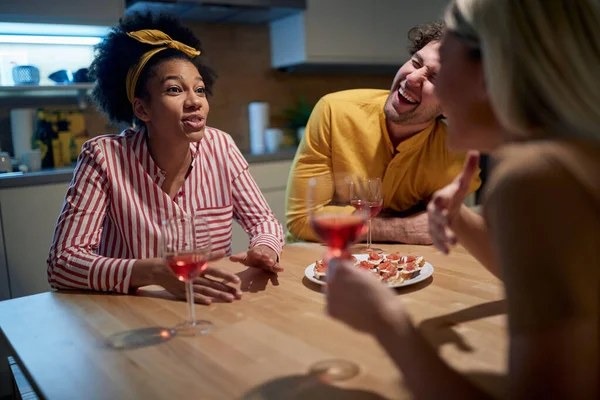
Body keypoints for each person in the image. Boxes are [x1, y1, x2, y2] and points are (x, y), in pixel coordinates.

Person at [325, 0, 599, 398]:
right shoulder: (575, 157)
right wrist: (459, 218)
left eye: (440, 69)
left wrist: (388, 323)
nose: (417, 82)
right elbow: (543, 284)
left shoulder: (537, 178)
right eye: (416, 63)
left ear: (491, 74)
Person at [47, 12, 285, 305]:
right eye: (174, 89)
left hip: (210, 306)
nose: (194, 101)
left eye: (199, 90)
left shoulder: (221, 146)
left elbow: (264, 222)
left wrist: (265, 249)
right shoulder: (103, 157)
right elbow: (62, 264)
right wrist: (156, 272)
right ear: (142, 109)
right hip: (132, 315)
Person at [285, 21, 481, 245]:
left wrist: (345, 217)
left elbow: (435, 225)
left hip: (402, 267)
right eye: (416, 62)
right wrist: (400, 228)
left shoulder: (456, 152)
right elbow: (302, 220)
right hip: (316, 260)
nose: (412, 78)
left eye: (435, 78)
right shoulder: (334, 111)